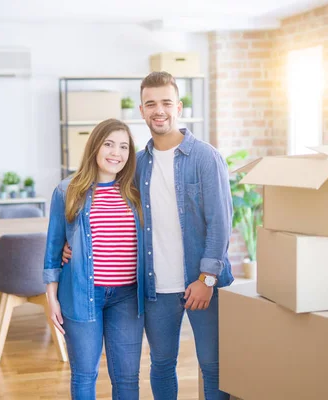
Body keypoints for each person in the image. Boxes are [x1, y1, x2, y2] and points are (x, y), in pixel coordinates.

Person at [64, 72, 234, 399]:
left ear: (179, 107)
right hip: (155, 287)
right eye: (151, 103)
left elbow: (221, 223)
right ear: (141, 110)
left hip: (202, 283)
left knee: (213, 366)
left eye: (166, 102)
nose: (159, 110)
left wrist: (207, 279)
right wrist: (70, 244)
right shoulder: (136, 164)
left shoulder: (205, 157)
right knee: (161, 363)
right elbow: (102, 204)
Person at [43, 118, 145, 400]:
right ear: (95, 147)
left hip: (127, 296)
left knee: (127, 378)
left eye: (124, 147)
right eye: (109, 144)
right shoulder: (67, 191)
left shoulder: (136, 192)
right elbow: (53, 251)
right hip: (81, 295)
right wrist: (51, 298)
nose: (116, 153)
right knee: (85, 375)